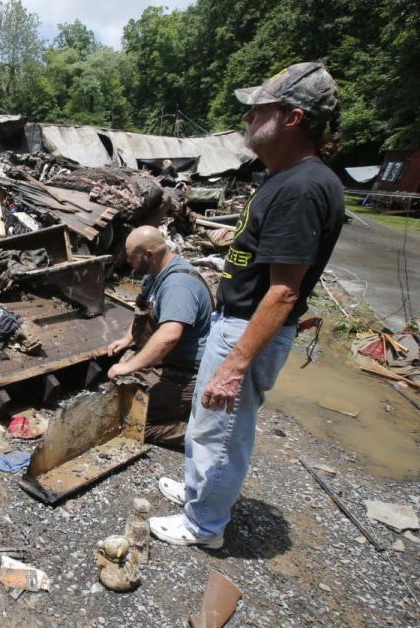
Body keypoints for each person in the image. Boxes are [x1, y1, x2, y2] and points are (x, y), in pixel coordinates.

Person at [149, 62, 345, 549]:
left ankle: (205, 526)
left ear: (294, 118)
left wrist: (236, 365)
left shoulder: (303, 187)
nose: (247, 119)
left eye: (259, 109)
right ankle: (200, 492)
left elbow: (284, 291)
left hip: (249, 329)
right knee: (207, 419)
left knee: (224, 429)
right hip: (234, 321)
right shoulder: (283, 177)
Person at [106, 226, 212, 446]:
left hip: (187, 369)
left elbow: (169, 335)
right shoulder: (152, 275)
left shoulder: (178, 285)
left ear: (149, 255)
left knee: (134, 422)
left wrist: (129, 366)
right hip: (167, 361)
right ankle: (175, 407)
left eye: (131, 258)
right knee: (121, 391)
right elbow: (143, 311)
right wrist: (129, 338)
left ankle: (203, 436)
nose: (128, 263)